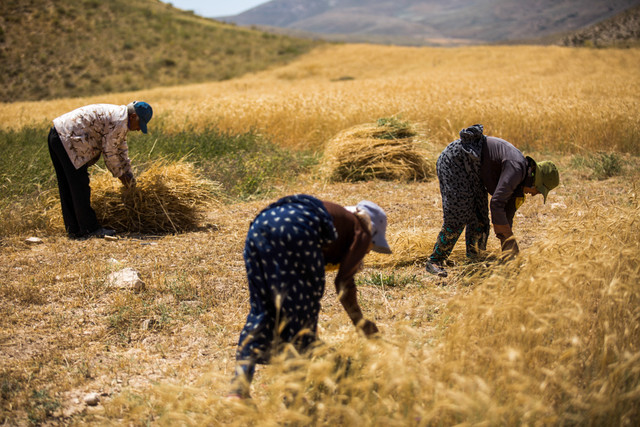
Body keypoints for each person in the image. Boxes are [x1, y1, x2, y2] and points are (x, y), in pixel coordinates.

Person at [229, 194, 392, 398]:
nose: (368, 252)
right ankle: (293, 396)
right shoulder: (362, 231)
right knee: (302, 318)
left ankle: (237, 390)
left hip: (260, 225)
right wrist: (360, 322)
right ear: (372, 229)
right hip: (298, 230)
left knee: (262, 310)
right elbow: (344, 283)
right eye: (372, 247)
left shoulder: (337, 216)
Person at [425, 124, 559, 278]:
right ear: (536, 180)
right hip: (456, 160)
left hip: (473, 173)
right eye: (539, 190)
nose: (535, 194)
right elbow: (496, 204)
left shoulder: (519, 185)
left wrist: (509, 249)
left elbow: (506, 217)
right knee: (459, 214)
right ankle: (435, 260)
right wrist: (509, 239)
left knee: (480, 218)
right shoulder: (517, 168)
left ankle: (474, 260)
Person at [47, 101, 153, 239]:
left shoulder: (119, 118)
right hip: (68, 139)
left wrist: (128, 173)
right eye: (140, 124)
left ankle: (74, 230)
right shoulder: (119, 122)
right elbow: (110, 153)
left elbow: (120, 148)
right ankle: (89, 229)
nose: (139, 129)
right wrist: (122, 176)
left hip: (57, 135)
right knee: (80, 186)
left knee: (67, 185)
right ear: (133, 116)